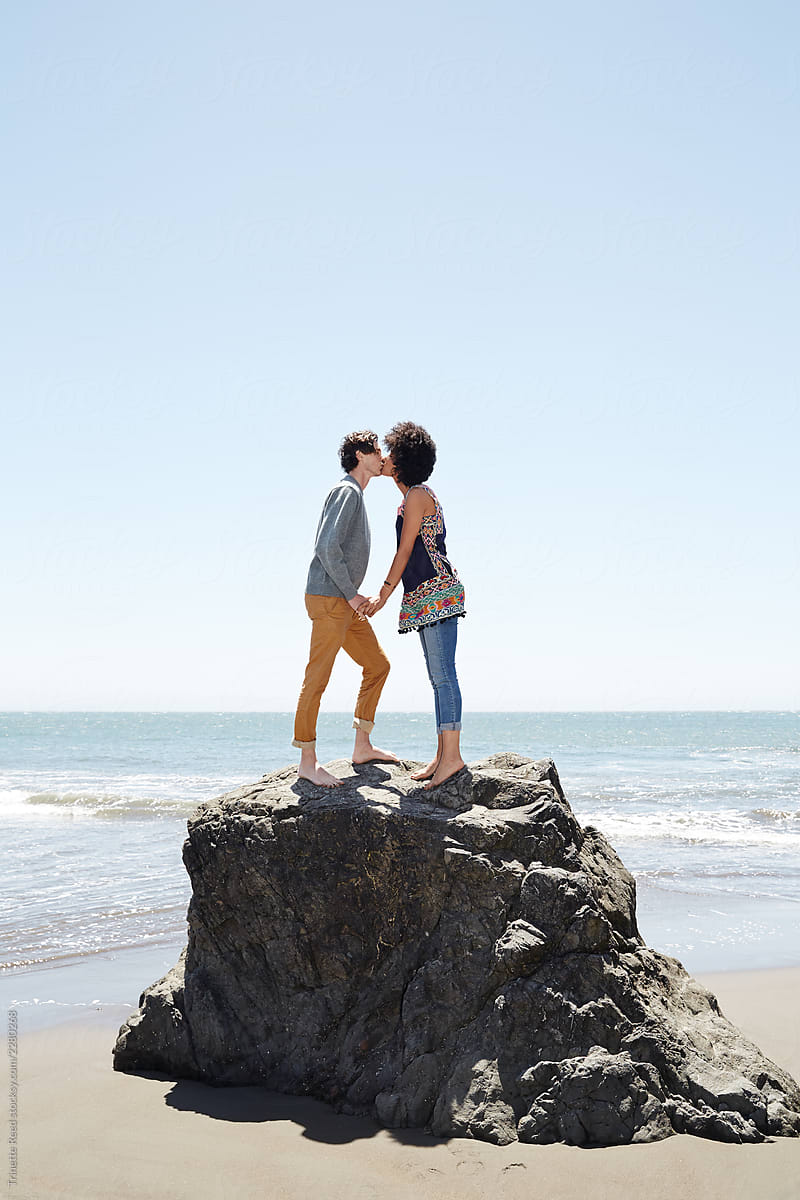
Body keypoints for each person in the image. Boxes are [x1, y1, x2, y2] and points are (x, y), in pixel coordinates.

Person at [293, 431, 398, 787]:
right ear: (360, 454)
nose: (383, 457)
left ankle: (362, 746)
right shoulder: (346, 491)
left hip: (342, 599)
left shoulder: (357, 494)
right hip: (330, 598)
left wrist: (350, 596)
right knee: (317, 679)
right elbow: (326, 546)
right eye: (378, 451)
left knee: (378, 665)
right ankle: (308, 761)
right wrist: (354, 596)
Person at [364, 422, 466, 789]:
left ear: (404, 460)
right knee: (437, 678)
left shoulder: (418, 496)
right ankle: (442, 756)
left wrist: (382, 594)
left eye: (391, 453)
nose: (385, 459)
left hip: (438, 592)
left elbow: (406, 551)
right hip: (428, 595)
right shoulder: (412, 497)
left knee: (443, 677)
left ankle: (451, 758)